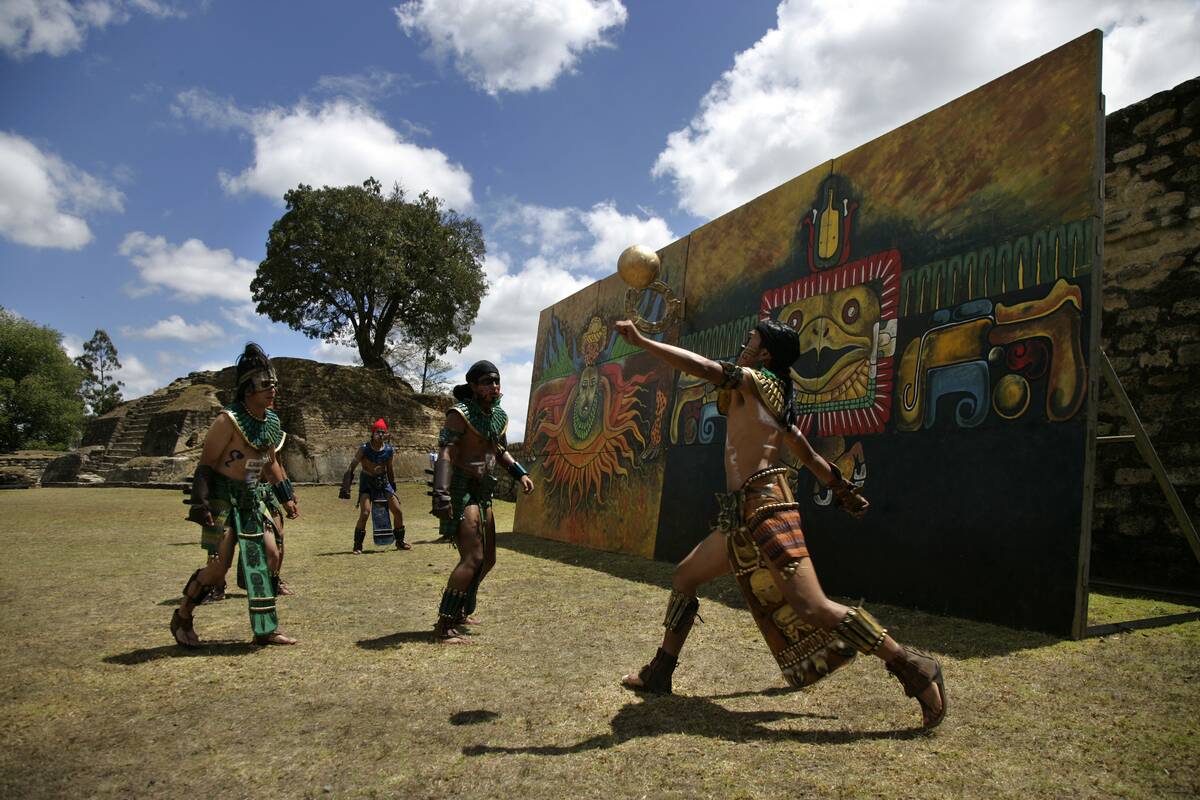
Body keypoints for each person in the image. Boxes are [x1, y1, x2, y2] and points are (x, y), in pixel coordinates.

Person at [615, 318, 946, 730]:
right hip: (741, 512)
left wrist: (644, 340)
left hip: (768, 509)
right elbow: (805, 453)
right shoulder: (769, 395)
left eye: (752, 339)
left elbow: (702, 368)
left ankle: (914, 667)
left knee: (814, 606)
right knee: (685, 576)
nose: (744, 343)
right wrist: (841, 490)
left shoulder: (756, 380)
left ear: (766, 352)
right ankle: (660, 672)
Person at [170, 343, 300, 647]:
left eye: (274, 384)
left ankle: (265, 628)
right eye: (265, 384)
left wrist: (286, 496)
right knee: (218, 568)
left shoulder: (270, 422)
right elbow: (206, 465)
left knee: (270, 555)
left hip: (251, 498)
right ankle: (184, 615)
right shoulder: (227, 421)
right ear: (247, 387)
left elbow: (271, 463)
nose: (272, 390)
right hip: (222, 498)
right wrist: (201, 505)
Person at [429, 361, 533, 643]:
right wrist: (442, 492)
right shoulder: (459, 415)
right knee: (472, 557)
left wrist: (519, 473)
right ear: (474, 386)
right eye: (487, 382)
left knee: (488, 559)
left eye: (497, 381)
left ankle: (460, 609)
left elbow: (497, 450)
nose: (494, 387)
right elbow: (446, 454)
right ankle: (444, 625)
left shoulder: (498, 416)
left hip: (482, 489)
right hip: (461, 488)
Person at [340, 419, 409, 553]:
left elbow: (389, 468)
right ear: (373, 433)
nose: (381, 435)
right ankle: (357, 545)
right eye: (378, 432)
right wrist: (346, 485)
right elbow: (352, 467)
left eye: (383, 432)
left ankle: (400, 541)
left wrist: (393, 485)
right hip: (367, 483)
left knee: (398, 511)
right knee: (365, 512)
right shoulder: (364, 449)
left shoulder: (388, 450)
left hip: (383, 482)